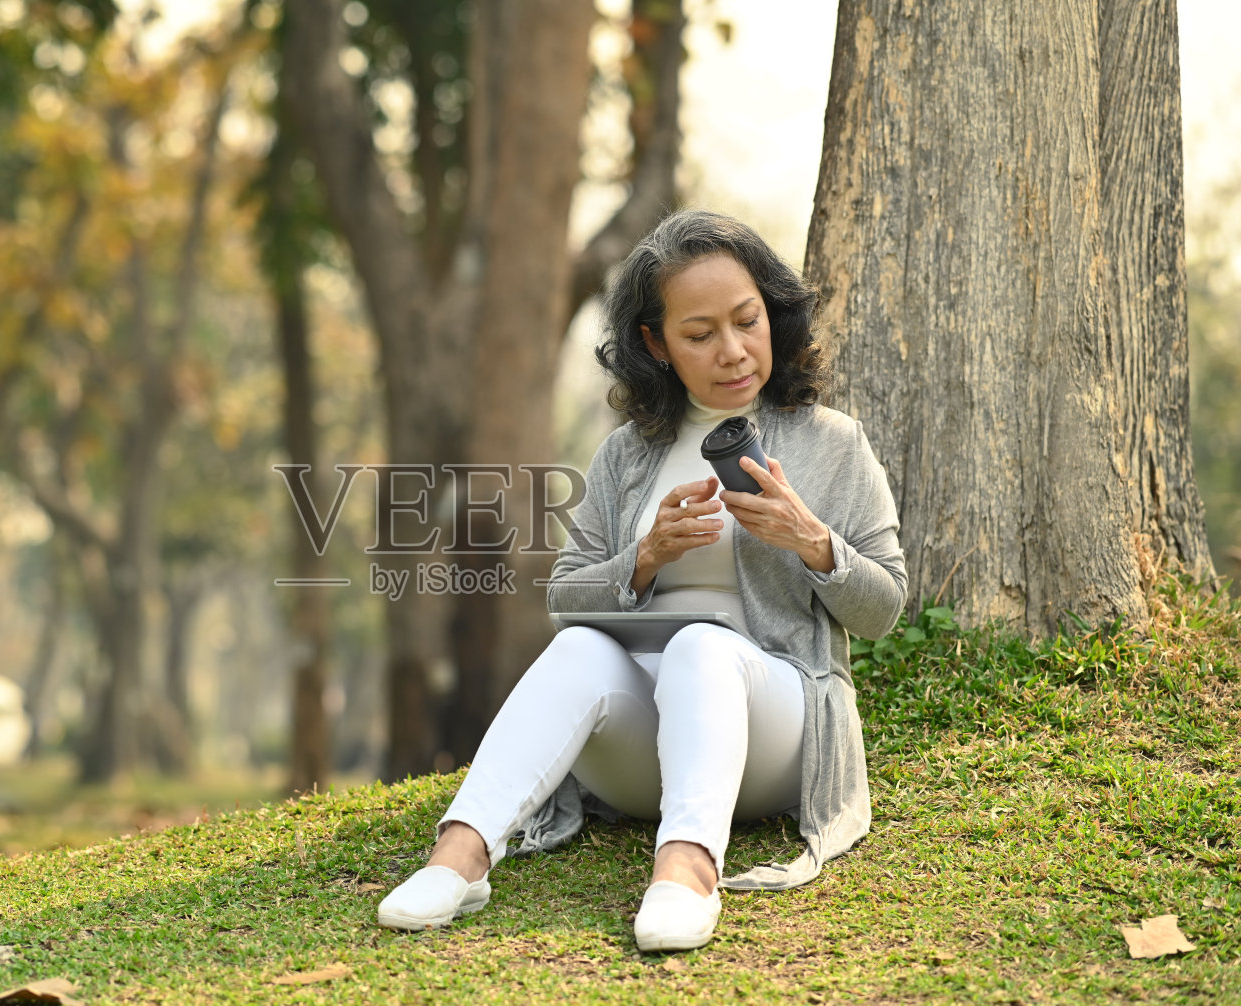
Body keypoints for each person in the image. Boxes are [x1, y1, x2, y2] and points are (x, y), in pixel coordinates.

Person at [376, 209, 908, 951]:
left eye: (746, 321)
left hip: (777, 734)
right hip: (644, 755)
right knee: (578, 652)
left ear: (771, 311)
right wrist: (643, 558)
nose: (732, 350)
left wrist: (814, 541)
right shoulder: (628, 456)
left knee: (703, 644)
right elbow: (565, 599)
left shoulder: (832, 442)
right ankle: (460, 856)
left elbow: (883, 609)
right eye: (699, 334)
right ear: (655, 344)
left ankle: (687, 872)